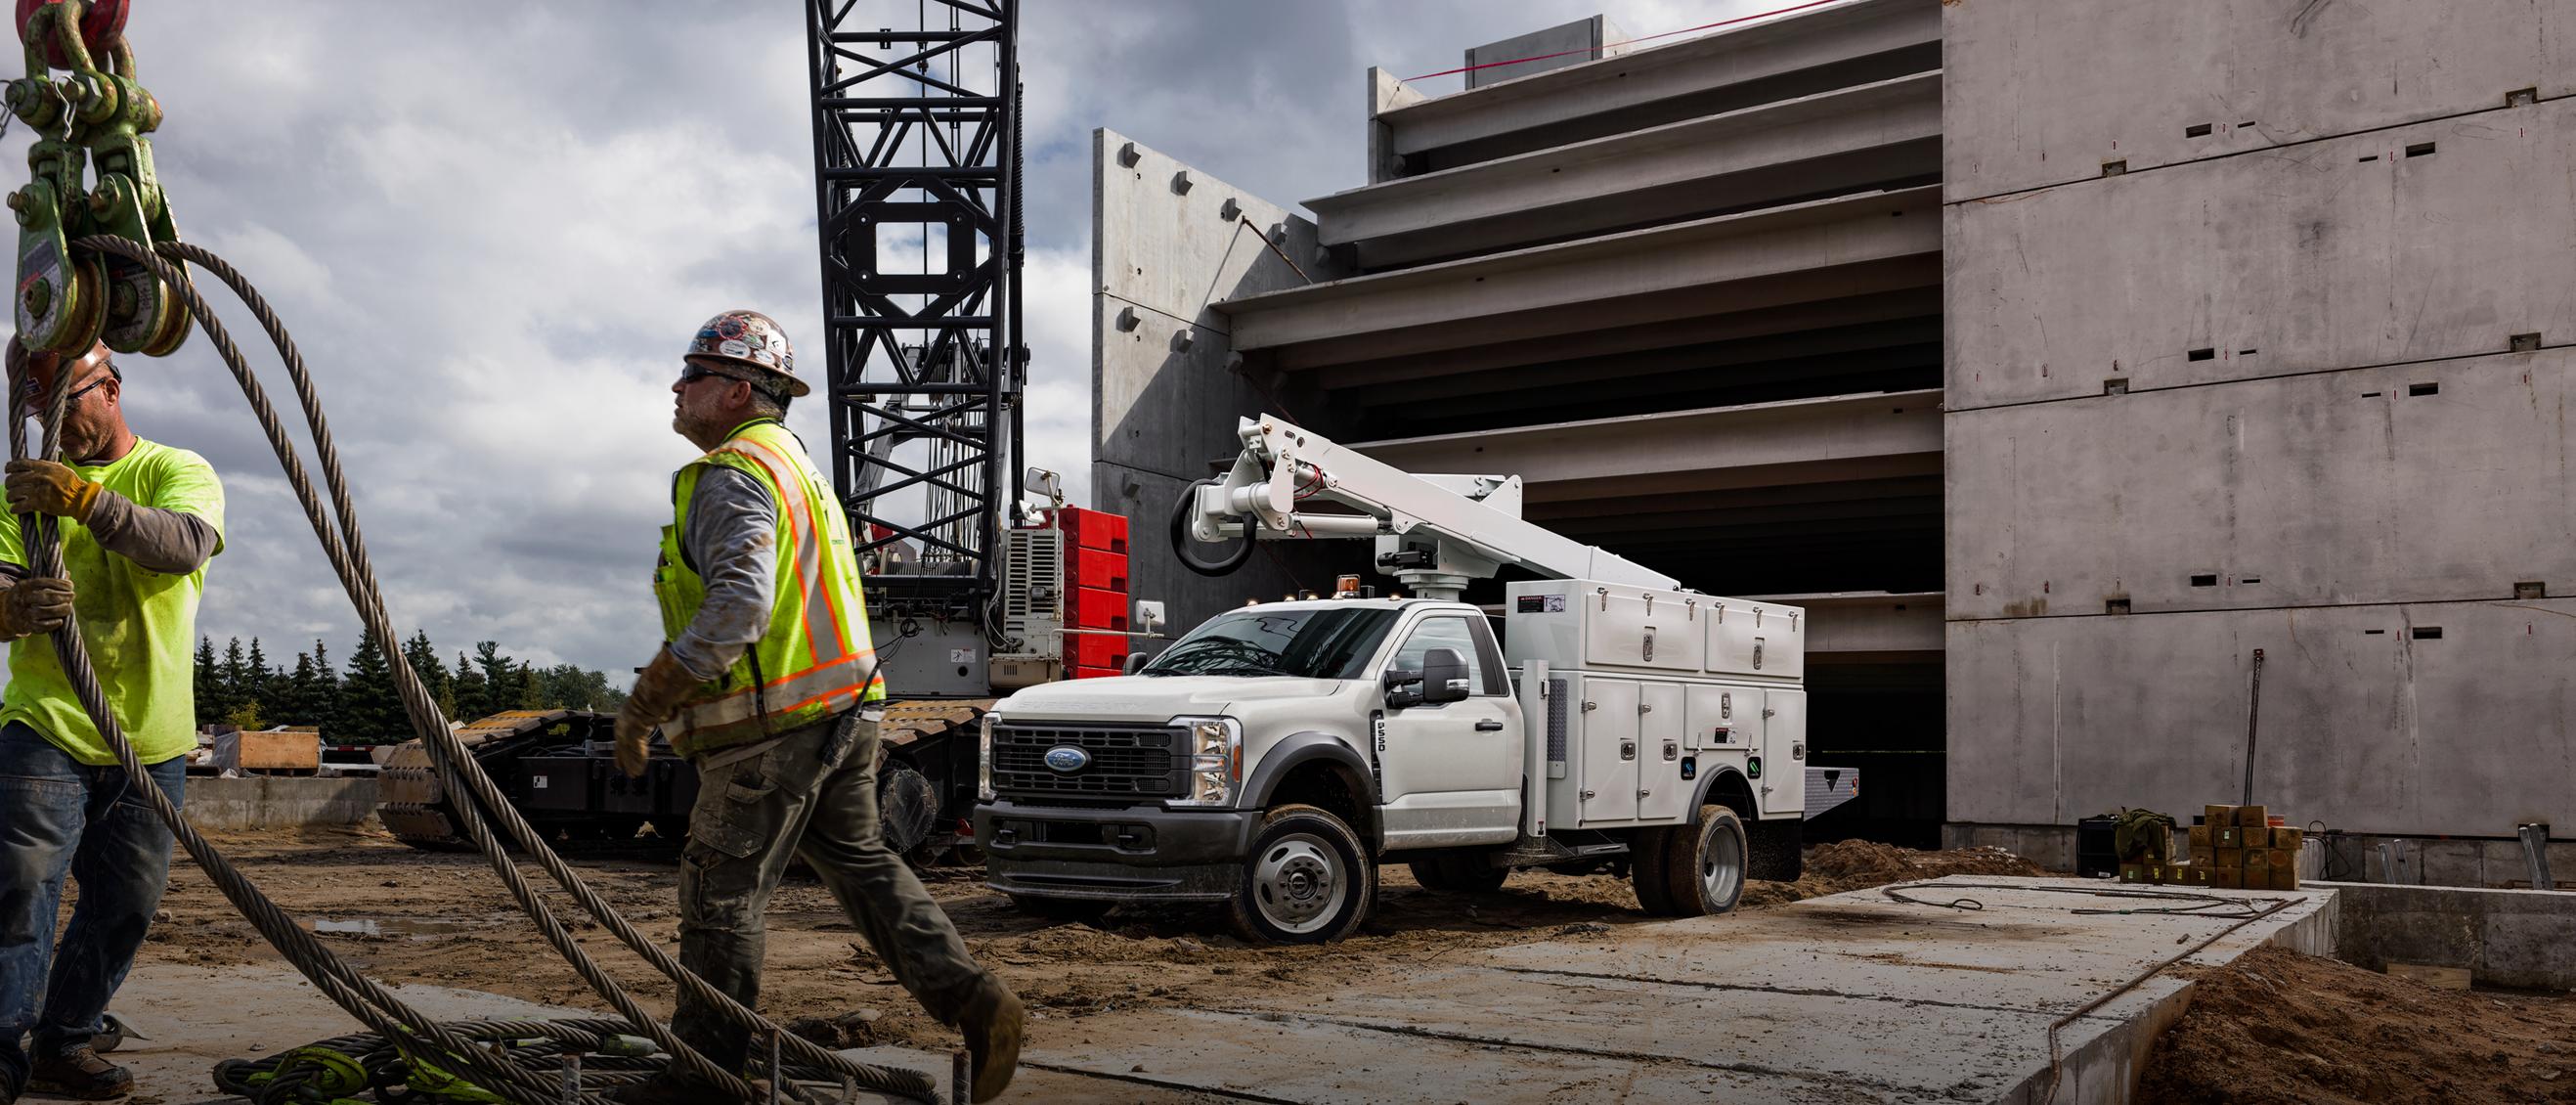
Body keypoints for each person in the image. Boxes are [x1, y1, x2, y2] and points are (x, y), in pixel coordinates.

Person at [612, 310, 1023, 1103]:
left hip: (770, 726)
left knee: (720, 892)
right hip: (844, 707)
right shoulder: (797, 468)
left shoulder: (732, 473)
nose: (676, 386)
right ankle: (978, 1002)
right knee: (864, 867)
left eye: (692, 374)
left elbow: (738, 607)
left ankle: (705, 1075)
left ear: (737, 391)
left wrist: (646, 700)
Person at [0, 338, 224, 1103]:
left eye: (70, 402)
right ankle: (1, 1052)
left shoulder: (176, 469)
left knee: (125, 904)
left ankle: (65, 1039)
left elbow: (183, 543)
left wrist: (86, 502)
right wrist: (9, 607)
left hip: (150, 741)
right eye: (40, 409)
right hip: (48, 724)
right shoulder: (21, 494)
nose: (56, 422)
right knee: (21, 888)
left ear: (113, 388)